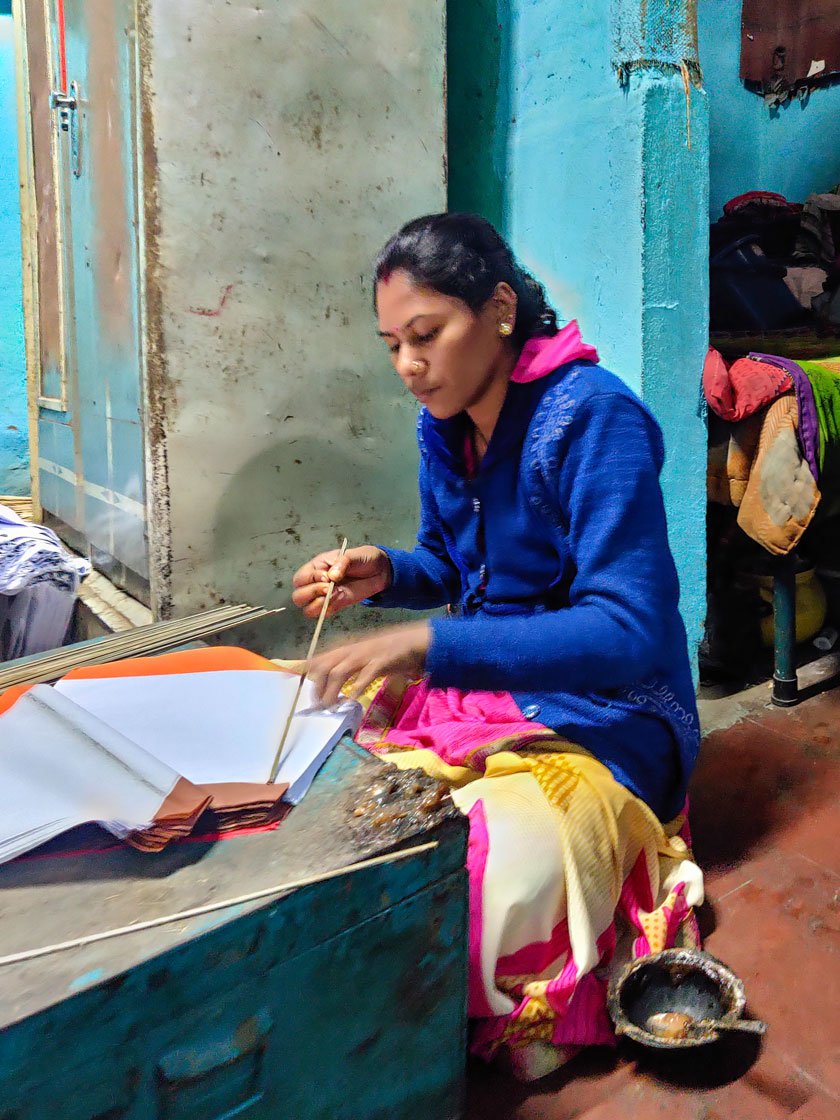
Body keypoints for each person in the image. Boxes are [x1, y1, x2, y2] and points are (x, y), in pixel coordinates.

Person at [292, 213, 704, 1081]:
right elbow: (452, 562)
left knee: (484, 879)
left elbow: (627, 629)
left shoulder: (593, 420)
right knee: (333, 780)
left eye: (427, 335)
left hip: (610, 710)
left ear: (502, 309)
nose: (409, 366)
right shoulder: (443, 426)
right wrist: (386, 573)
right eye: (393, 345)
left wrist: (431, 643)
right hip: (488, 689)